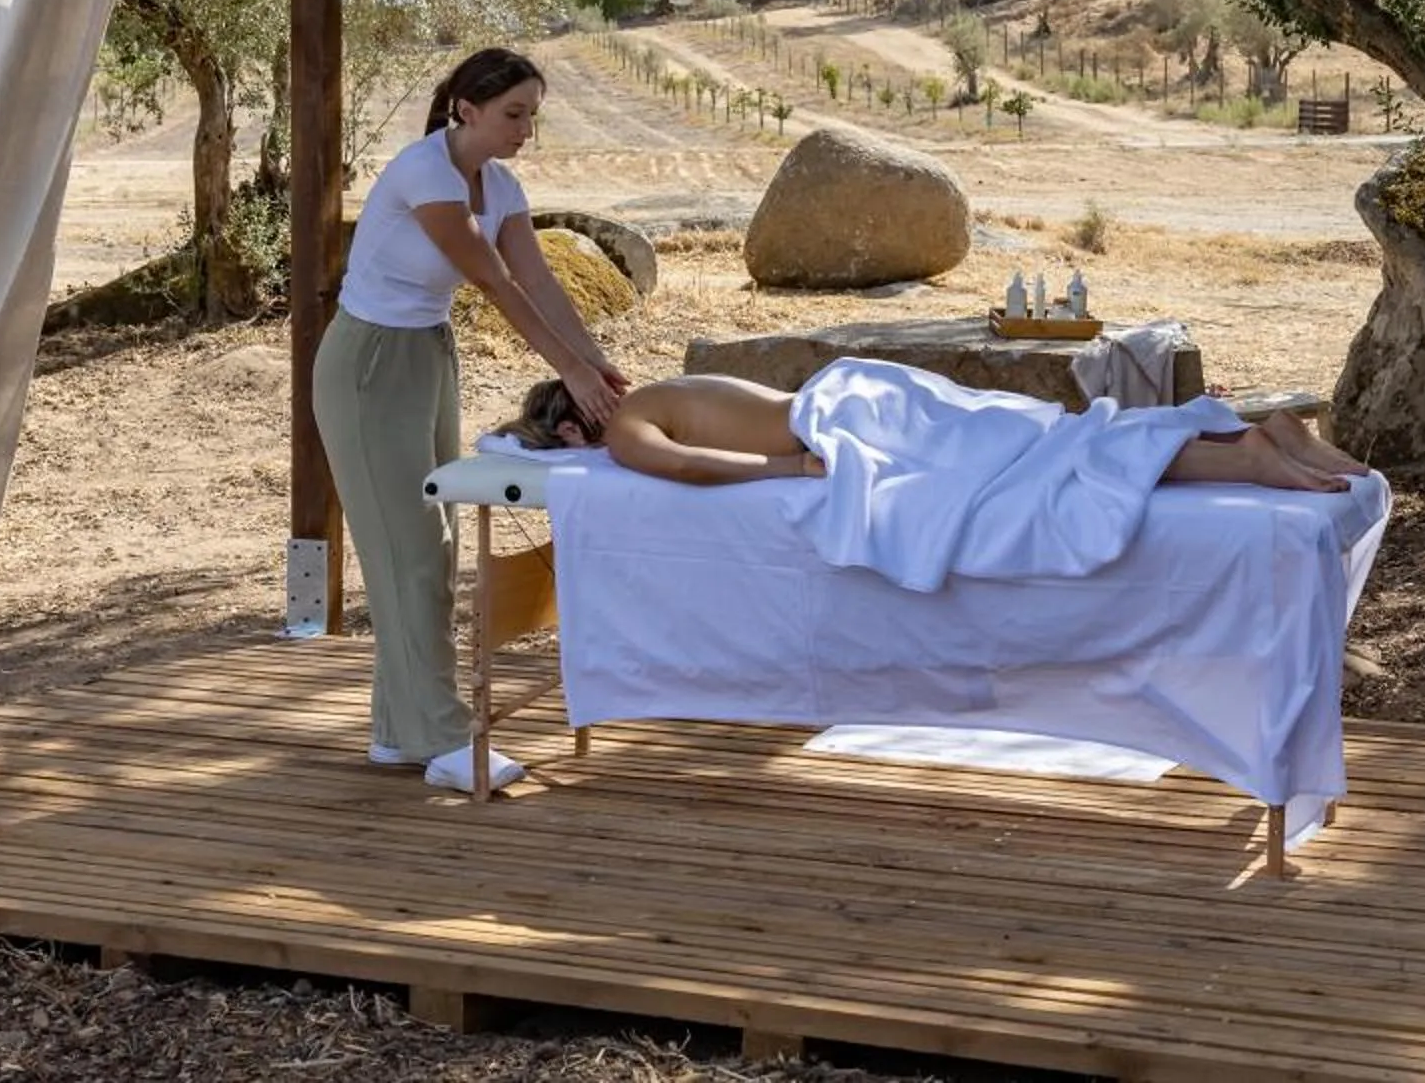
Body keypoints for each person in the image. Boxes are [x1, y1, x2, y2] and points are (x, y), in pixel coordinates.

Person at [315, 47, 629, 792]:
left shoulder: (502, 185)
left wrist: (597, 364)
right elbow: (494, 284)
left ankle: (399, 731)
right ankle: (443, 735)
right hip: (367, 365)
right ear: (467, 108)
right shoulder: (426, 174)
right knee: (408, 550)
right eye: (514, 114)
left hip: (427, 350)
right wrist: (571, 373)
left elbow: (539, 282)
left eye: (532, 116)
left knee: (434, 545)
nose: (525, 129)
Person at [504, 369, 1368, 492]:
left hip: (839, 418)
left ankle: (1247, 454)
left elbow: (690, 466)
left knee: (1044, 469)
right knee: (1050, 436)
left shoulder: (626, 427)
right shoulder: (658, 387)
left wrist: (794, 473)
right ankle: (1244, 434)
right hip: (860, 389)